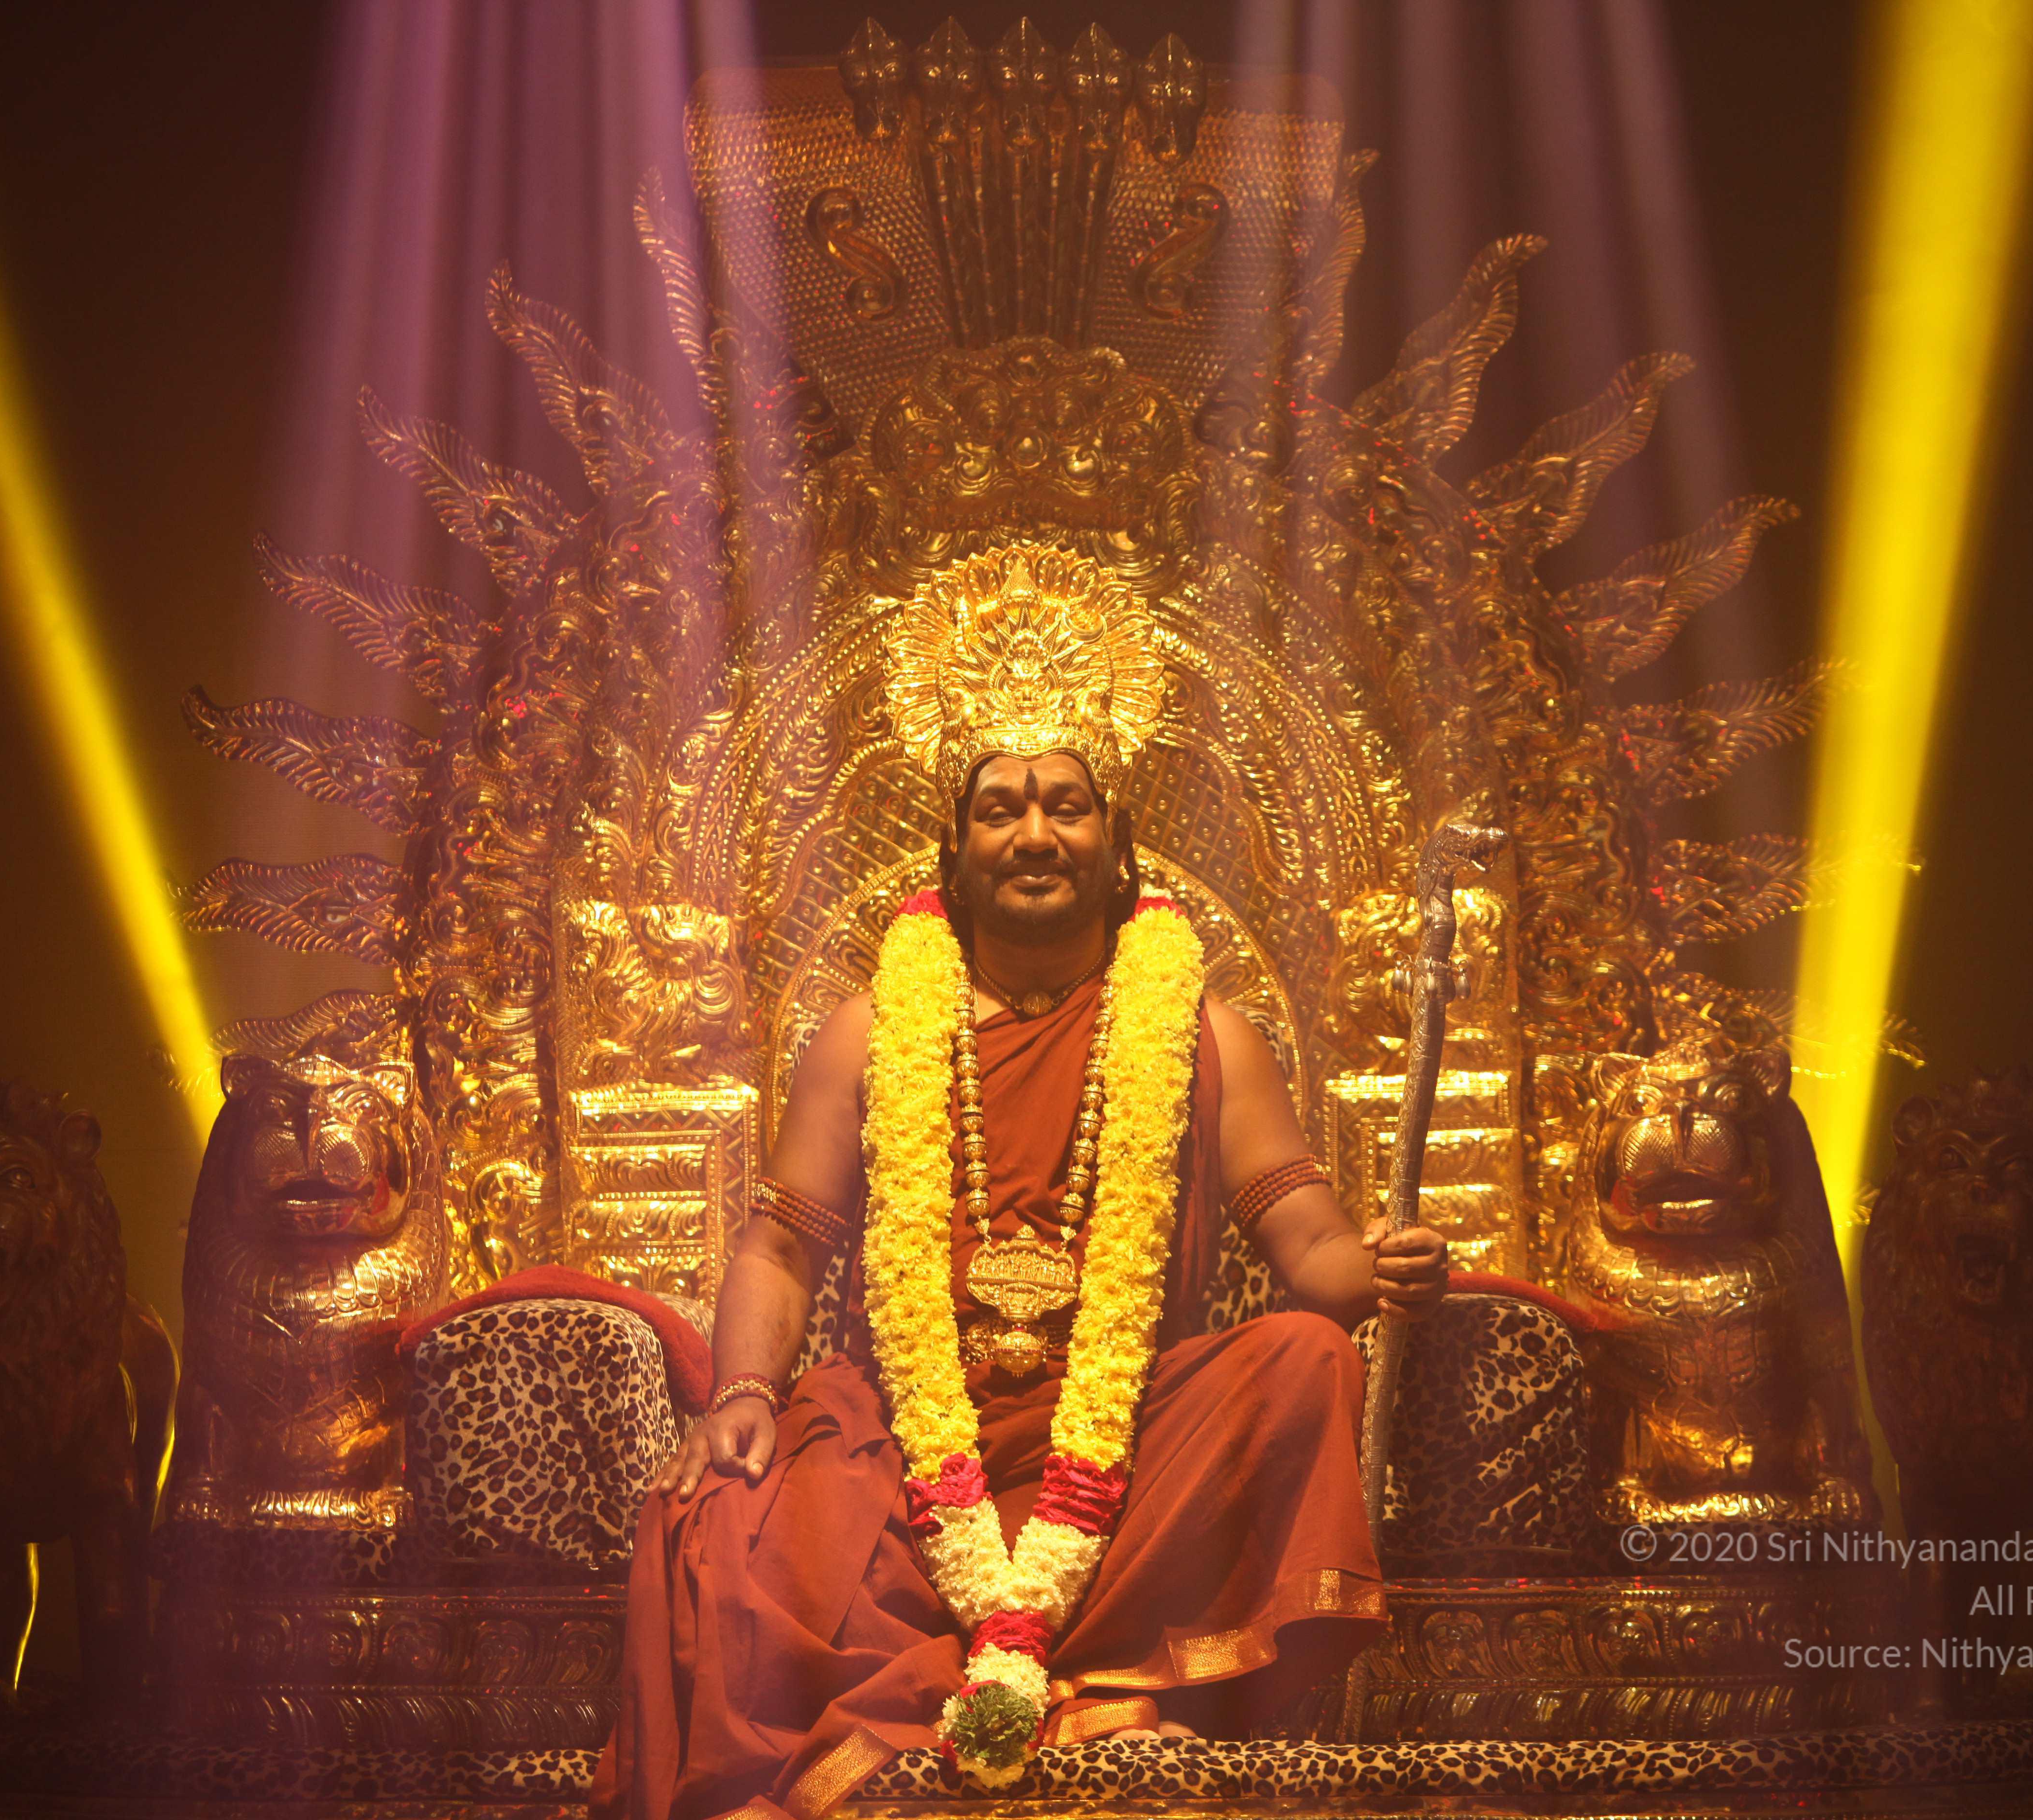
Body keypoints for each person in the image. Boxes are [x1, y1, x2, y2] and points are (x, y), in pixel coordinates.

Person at [592, 548, 1449, 1820]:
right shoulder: (869, 1033)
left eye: (1067, 806)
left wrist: (1374, 1267)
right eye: (1001, 808)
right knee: (719, 1509)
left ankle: (1094, 1673)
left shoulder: (1203, 1033)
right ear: (955, 850)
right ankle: (1010, 1686)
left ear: (1116, 844)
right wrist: (746, 1393)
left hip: (1130, 1444)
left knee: (1306, 1360)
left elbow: (1305, 1239)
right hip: (907, 1444)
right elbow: (780, 1245)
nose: (1036, 833)